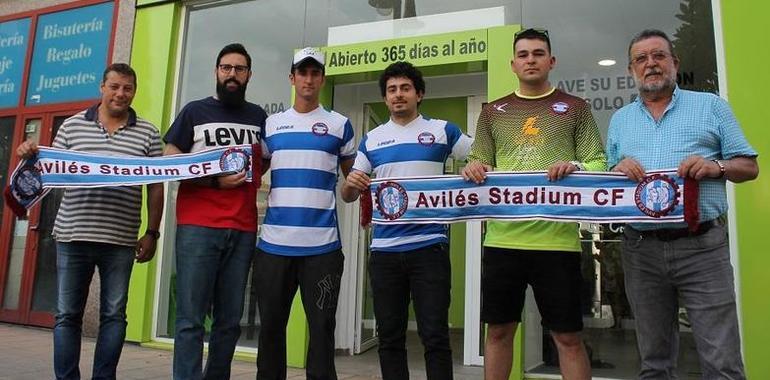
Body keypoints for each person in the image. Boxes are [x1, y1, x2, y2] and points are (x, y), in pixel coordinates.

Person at [607, 29, 759, 379]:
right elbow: (608, 177)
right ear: (632, 70)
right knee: (654, 363)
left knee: (721, 362)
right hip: (640, 249)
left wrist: (715, 167)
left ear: (674, 63)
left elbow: (749, 166)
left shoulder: (711, 106)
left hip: (702, 248)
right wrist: (616, 169)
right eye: (641, 59)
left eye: (658, 56)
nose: (651, 64)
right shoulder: (620, 120)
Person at [461, 28, 606, 380]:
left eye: (538, 53)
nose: (530, 60)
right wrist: (474, 166)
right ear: (513, 64)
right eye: (523, 54)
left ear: (551, 61)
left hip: (557, 241)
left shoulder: (575, 108)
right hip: (502, 240)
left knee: (568, 337)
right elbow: (478, 159)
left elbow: (599, 161)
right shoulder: (493, 111)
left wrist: (577, 167)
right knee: (497, 332)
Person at [17, 63, 164, 380]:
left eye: (127, 88)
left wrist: (152, 232)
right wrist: (31, 154)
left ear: (134, 91)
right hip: (73, 235)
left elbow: (156, 187)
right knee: (67, 315)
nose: (120, 93)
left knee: (114, 316)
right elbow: (51, 172)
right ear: (102, 87)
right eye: (114, 86)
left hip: (121, 240)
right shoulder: (71, 127)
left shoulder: (149, 133)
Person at [342, 61, 473, 380]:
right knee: (390, 339)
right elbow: (348, 194)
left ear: (419, 94)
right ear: (385, 99)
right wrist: (350, 185)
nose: (398, 95)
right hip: (384, 252)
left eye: (404, 88)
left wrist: (474, 165)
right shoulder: (371, 140)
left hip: (430, 249)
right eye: (391, 90)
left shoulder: (444, 130)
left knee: (435, 337)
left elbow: (483, 155)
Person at [163, 43, 267, 380]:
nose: (232, 74)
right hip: (198, 226)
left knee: (229, 321)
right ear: (216, 72)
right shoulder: (194, 111)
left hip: (243, 227)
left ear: (249, 74)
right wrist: (213, 182)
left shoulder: (259, 117)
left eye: (239, 68)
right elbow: (170, 159)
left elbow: (263, 163)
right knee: (191, 319)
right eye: (226, 68)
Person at [255, 47, 355, 380]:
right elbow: (253, 172)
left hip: (322, 249)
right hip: (273, 247)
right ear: (292, 78)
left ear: (322, 79)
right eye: (302, 72)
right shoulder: (271, 125)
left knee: (322, 331)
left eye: (315, 73)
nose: (308, 79)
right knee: (270, 330)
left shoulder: (340, 125)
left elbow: (353, 182)